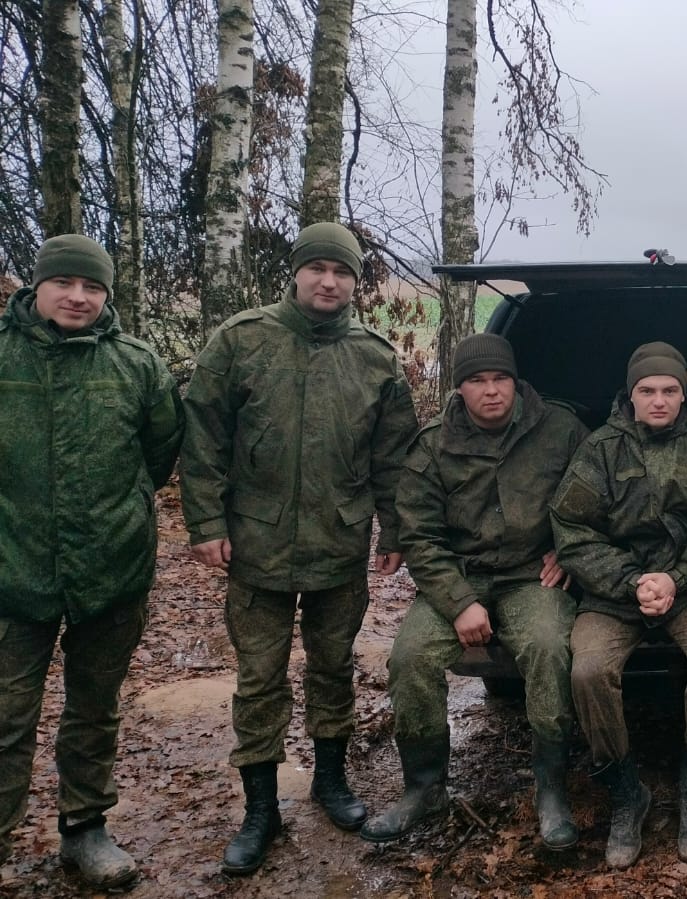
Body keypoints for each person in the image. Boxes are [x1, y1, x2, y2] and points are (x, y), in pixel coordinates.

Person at [181, 222, 418, 875]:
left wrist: (394, 529)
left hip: (338, 543)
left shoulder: (374, 357)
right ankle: (260, 807)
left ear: (353, 280)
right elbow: (202, 437)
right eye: (316, 267)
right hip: (255, 543)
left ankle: (331, 781)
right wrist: (205, 520)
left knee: (332, 664)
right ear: (296, 272)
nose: (328, 280)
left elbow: (395, 456)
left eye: (341, 271)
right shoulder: (242, 341)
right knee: (259, 678)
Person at [0, 236, 183, 890]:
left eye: (92, 285)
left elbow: (162, 449)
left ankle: (85, 827)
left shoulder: (136, 365)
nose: (79, 296)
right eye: (65, 283)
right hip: (11, 573)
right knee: (5, 713)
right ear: (37, 287)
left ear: (107, 294)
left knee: (94, 708)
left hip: (112, 571)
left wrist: (127, 506)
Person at [361, 333, 587, 849]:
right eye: (477, 381)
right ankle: (424, 787)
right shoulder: (433, 444)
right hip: (457, 576)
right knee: (410, 657)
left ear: (516, 381)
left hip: (532, 574)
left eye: (500, 379)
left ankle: (551, 788)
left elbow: (593, 497)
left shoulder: (562, 429)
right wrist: (460, 602)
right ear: (459, 388)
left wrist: (568, 548)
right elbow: (419, 533)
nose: (491, 391)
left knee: (551, 648)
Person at [552, 341, 687, 868]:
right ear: (630, 397)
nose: (659, 400)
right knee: (586, 670)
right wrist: (631, 581)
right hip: (615, 593)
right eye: (647, 391)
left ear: (683, 394)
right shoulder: (601, 449)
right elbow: (572, 529)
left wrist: (676, 578)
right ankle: (626, 792)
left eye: (669, 390)